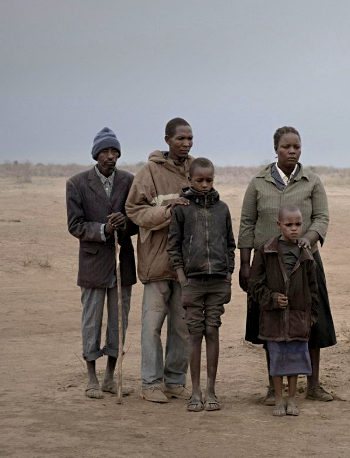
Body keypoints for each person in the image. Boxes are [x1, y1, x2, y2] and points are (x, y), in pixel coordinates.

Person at [238, 126, 336, 404]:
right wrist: (245, 264)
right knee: (271, 322)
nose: (292, 151)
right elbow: (246, 224)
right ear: (275, 149)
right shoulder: (258, 182)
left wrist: (307, 238)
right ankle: (274, 388)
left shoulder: (312, 181)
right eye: (286, 147)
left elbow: (321, 218)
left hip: (305, 262)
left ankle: (314, 385)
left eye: (296, 146)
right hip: (267, 265)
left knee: (310, 320)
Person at [125, 117, 194, 403]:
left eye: (190, 138)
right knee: (152, 327)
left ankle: (175, 381)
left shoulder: (196, 169)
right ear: (167, 140)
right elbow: (134, 210)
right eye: (181, 138)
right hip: (156, 261)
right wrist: (168, 210)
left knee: (181, 325)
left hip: (187, 263)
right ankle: (150, 383)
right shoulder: (149, 171)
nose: (186, 144)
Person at [66, 127, 137, 399]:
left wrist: (125, 223)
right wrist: (104, 229)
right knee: (92, 322)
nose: (110, 156)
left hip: (122, 262)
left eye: (114, 151)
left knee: (119, 322)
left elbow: (136, 220)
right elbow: (75, 225)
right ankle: (91, 377)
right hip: (93, 264)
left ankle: (110, 376)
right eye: (105, 151)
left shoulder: (128, 181)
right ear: (95, 154)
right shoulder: (77, 183)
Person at [167, 157, 235, 412]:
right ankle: (195, 392)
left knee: (212, 331)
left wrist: (228, 274)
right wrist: (182, 277)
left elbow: (230, 244)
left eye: (209, 180)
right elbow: (173, 245)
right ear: (190, 180)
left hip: (218, 281)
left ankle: (211, 390)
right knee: (194, 333)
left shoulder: (223, 209)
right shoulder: (182, 209)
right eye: (199, 180)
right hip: (193, 282)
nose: (205, 185)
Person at [250, 204, 320, 416]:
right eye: (288, 224)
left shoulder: (306, 254)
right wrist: (272, 298)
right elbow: (255, 284)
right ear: (279, 224)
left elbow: (313, 289)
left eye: (298, 224)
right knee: (278, 357)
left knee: (296, 358)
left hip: (299, 317)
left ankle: (292, 399)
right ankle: (278, 398)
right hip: (274, 318)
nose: (294, 229)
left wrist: (311, 316)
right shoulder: (266, 250)